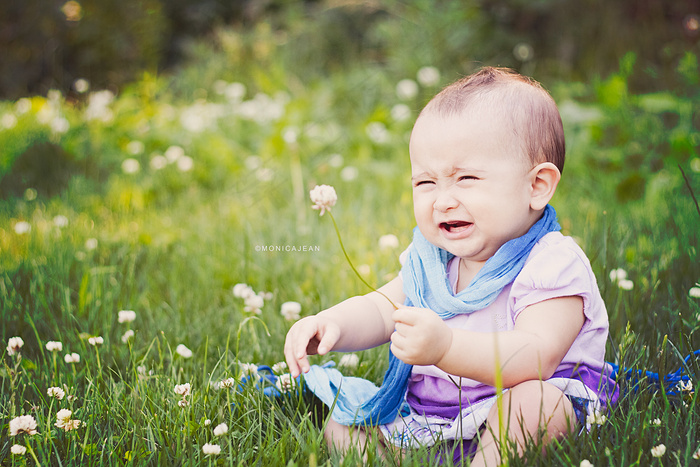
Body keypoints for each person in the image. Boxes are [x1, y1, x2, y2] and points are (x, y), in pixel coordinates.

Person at [283, 67, 617, 466]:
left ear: (537, 186)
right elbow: (383, 309)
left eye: (466, 178)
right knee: (340, 424)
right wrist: (332, 323)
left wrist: (446, 348)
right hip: (434, 416)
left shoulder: (552, 264)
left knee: (537, 405)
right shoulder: (432, 260)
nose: (442, 200)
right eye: (425, 183)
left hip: (515, 405)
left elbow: (537, 355)